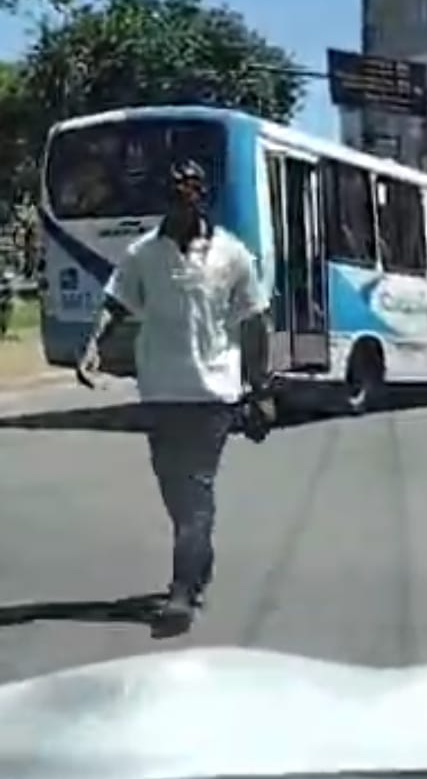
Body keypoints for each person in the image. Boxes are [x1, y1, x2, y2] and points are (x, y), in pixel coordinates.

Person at [76, 159, 270, 626]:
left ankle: (182, 590)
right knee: (177, 495)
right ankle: (198, 563)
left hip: (214, 395)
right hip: (160, 393)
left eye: (192, 190)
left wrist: (261, 389)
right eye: (176, 191)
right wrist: (92, 346)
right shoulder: (143, 253)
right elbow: (116, 302)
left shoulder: (233, 254)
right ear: (166, 197)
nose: (185, 198)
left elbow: (254, 321)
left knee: (194, 492)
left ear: (204, 196)